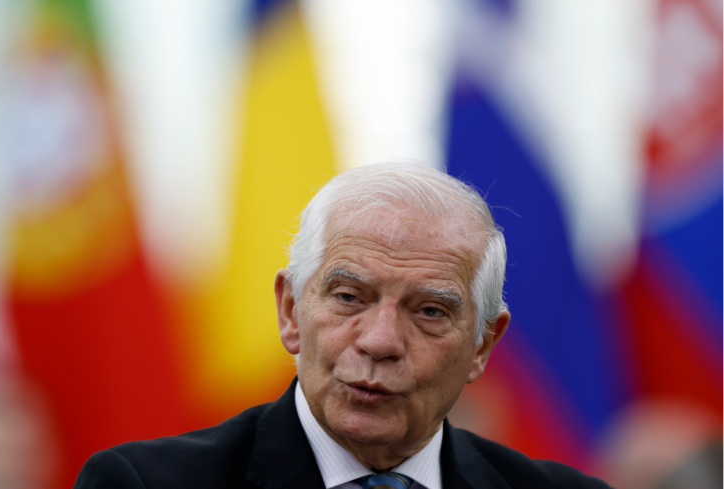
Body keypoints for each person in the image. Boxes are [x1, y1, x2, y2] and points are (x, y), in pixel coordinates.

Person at [74, 161, 610, 488]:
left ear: (481, 346)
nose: (379, 341)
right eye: (350, 297)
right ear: (289, 312)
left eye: (429, 312)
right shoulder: (144, 484)